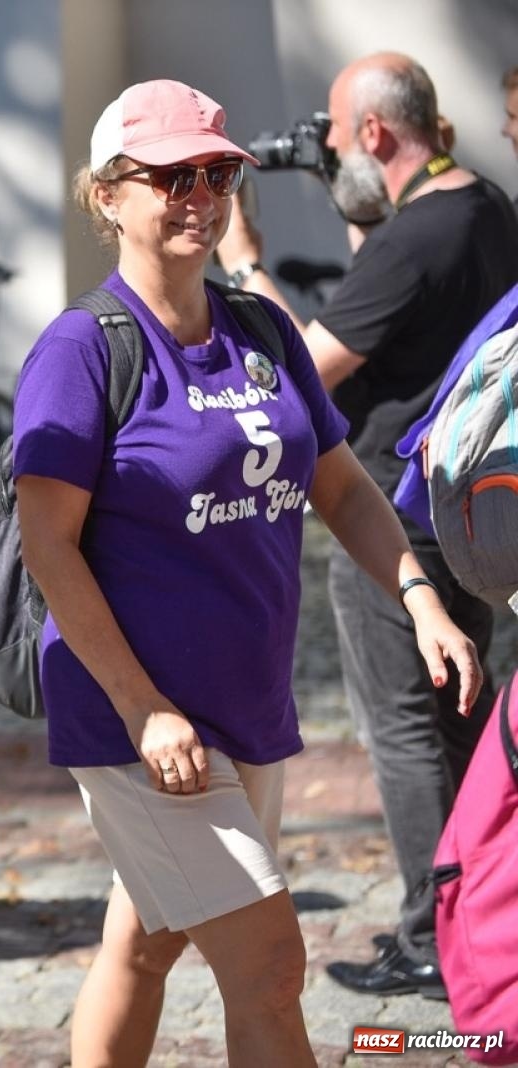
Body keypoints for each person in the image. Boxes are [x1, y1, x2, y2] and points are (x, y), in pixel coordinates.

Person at [16, 79, 483, 1066]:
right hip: (139, 723)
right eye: (169, 176)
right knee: (270, 965)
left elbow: (343, 487)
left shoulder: (260, 330)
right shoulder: (81, 348)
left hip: (246, 706)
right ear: (107, 195)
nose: (199, 195)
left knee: (146, 944)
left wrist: (420, 595)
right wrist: (144, 708)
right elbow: (47, 544)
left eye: (217, 172)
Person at [217, 52, 518, 1001]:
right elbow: (401, 308)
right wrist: (349, 197)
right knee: (467, 719)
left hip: (392, 511)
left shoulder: (417, 235)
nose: (332, 145)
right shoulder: (487, 209)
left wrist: (244, 265)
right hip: (472, 510)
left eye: (340, 136)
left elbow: (307, 368)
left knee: (403, 730)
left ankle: (432, 936)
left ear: (378, 136)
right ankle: (481, 909)